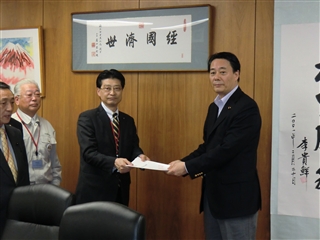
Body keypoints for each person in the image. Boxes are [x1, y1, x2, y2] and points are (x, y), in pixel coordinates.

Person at [167, 52, 262, 240]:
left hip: (237, 201)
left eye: (222, 72)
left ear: (236, 74)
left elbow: (226, 150)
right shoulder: (214, 107)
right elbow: (208, 146)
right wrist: (183, 162)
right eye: (212, 72)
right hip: (214, 198)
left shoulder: (247, 108)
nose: (216, 77)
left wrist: (188, 167)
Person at [75, 69, 149, 206]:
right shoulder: (87, 118)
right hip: (94, 190)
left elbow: (133, 147)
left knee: (119, 227)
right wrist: (114, 162)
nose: (112, 93)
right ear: (98, 91)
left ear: (122, 91)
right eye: (107, 88)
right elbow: (89, 153)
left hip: (121, 189)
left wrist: (139, 156)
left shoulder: (128, 120)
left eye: (117, 88)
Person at [11, 79, 62, 185]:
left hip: (45, 189)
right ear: (17, 100)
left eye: (37, 94)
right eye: (29, 95)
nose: (34, 99)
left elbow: (54, 163)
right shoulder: (9, 125)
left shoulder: (47, 125)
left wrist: (55, 186)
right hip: (19, 191)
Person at [0, 82, 30, 237]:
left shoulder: (15, 131)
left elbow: (23, 175)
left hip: (17, 216)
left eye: (11, 102)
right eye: (3, 103)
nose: (10, 109)